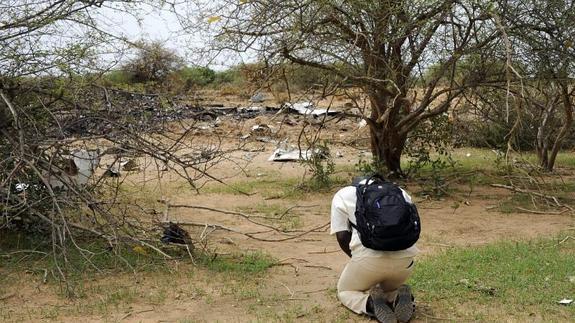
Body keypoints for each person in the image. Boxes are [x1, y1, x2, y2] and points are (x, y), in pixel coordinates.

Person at [330, 177, 419, 323]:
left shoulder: (343, 194)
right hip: (405, 261)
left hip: (368, 261)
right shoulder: (400, 192)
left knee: (345, 291)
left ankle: (370, 304)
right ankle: (397, 296)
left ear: (355, 183)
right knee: (387, 289)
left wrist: (358, 261)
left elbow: (342, 236)